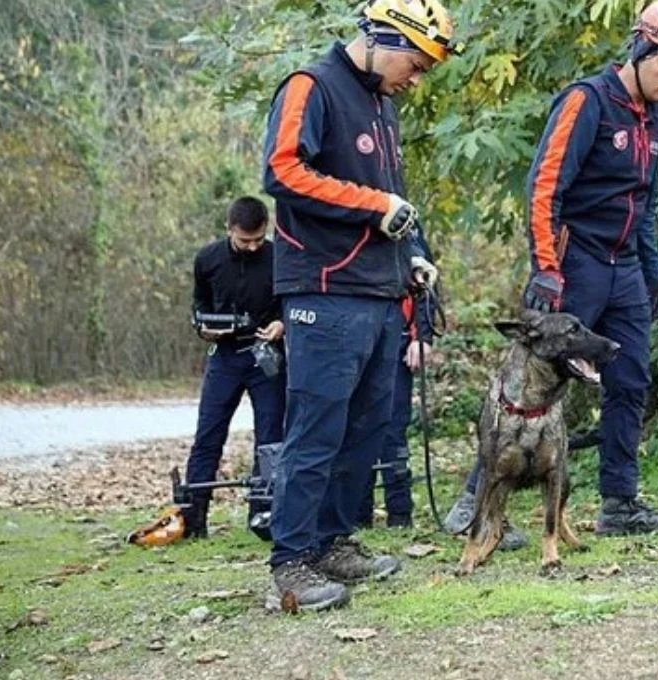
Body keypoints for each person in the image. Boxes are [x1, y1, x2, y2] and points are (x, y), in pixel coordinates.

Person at [444, 1, 658, 540]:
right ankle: (474, 505)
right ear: (638, 51)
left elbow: (646, 200)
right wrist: (546, 268)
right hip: (575, 262)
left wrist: (654, 271)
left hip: (625, 264)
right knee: (532, 387)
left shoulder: (654, 117)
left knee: (630, 380)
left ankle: (620, 504)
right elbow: (544, 187)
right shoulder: (587, 101)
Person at [261, 0, 455, 611]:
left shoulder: (383, 105)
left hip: (379, 287)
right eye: (416, 64)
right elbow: (283, 170)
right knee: (316, 427)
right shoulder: (309, 85)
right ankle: (291, 561)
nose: (418, 79)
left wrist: (415, 252)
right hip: (323, 288)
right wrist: (375, 207)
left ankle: (333, 542)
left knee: (365, 428)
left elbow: (393, 197)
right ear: (381, 38)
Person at [184, 195, 285, 539]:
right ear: (229, 230)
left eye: (259, 239)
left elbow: (293, 301)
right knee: (208, 435)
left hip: (266, 355)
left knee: (271, 438)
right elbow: (199, 305)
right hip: (225, 356)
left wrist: (281, 324)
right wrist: (203, 328)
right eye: (245, 241)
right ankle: (193, 516)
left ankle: (264, 514)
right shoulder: (208, 259)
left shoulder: (278, 257)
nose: (254, 246)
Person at [358, 226, 440, 530]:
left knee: (393, 429)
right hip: (358, 336)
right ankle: (357, 514)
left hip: (399, 340)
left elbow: (426, 284)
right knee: (357, 427)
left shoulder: (407, 226)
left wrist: (423, 337)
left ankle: (400, 512)